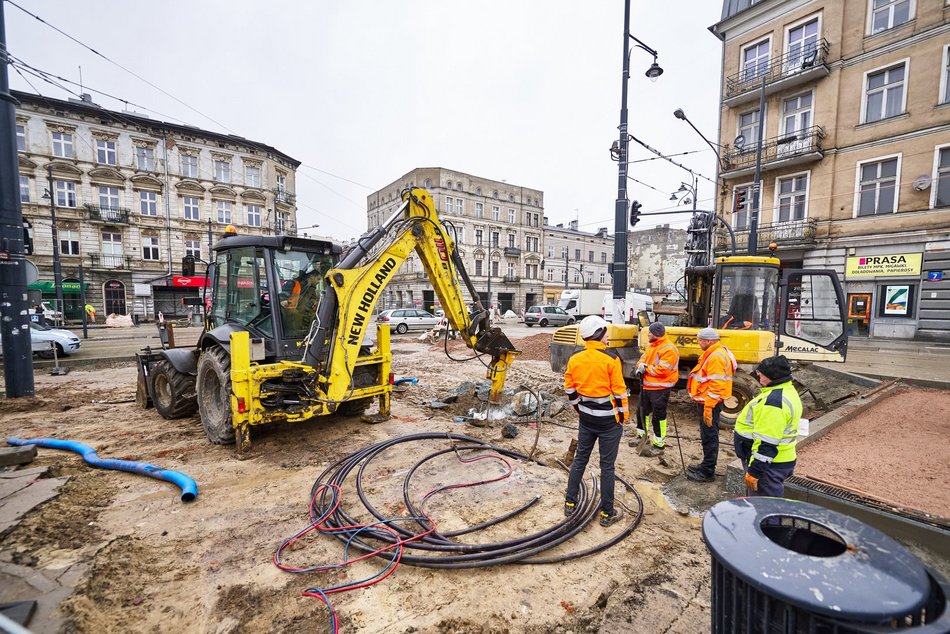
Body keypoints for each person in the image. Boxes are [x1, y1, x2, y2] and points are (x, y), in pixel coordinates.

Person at [563, 315, 629, 527]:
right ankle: (607, 514)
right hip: (609, 422)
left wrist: (579, 410)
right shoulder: (611, 359)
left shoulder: (575, 358)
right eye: (606, 332)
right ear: (599, 334)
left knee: (580, 459)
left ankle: (570, 503)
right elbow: (619, 392)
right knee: (607, 467)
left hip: (587, 419)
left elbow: (570, 389)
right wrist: (622, 418)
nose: (608, 336)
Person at [734, 355, 802, 497]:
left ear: (772, 376)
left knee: (764, 509)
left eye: (761, 375)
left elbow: (767, 442)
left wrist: (755, 472)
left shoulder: (774, 403)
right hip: (778, 461)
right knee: (765, 506)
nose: (759, 378)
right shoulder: (787, 390)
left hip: (769, 466)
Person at [685, 327, 736, 483]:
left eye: (700, 340)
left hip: (710, 403)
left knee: (710, 436)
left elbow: (716, 385)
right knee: (707, 435)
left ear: (709, 341)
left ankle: (708, 471)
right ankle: (706, 465)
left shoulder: (716, 357)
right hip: (708, 401)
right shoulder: (714, 353)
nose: (699, 343)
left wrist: (708, 407)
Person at [630, 322, 679, 457]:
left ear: (656, 334)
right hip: (647, 386)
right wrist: (641, 366)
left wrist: (646, 368)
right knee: (641, 411)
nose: (648, 334)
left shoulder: (669, 349)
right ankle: (641, 436)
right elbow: (641, 360)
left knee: (658, 416)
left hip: (660, 388)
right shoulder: (651, 346)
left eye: (649, 333)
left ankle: (659, 444)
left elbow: (663, 370)